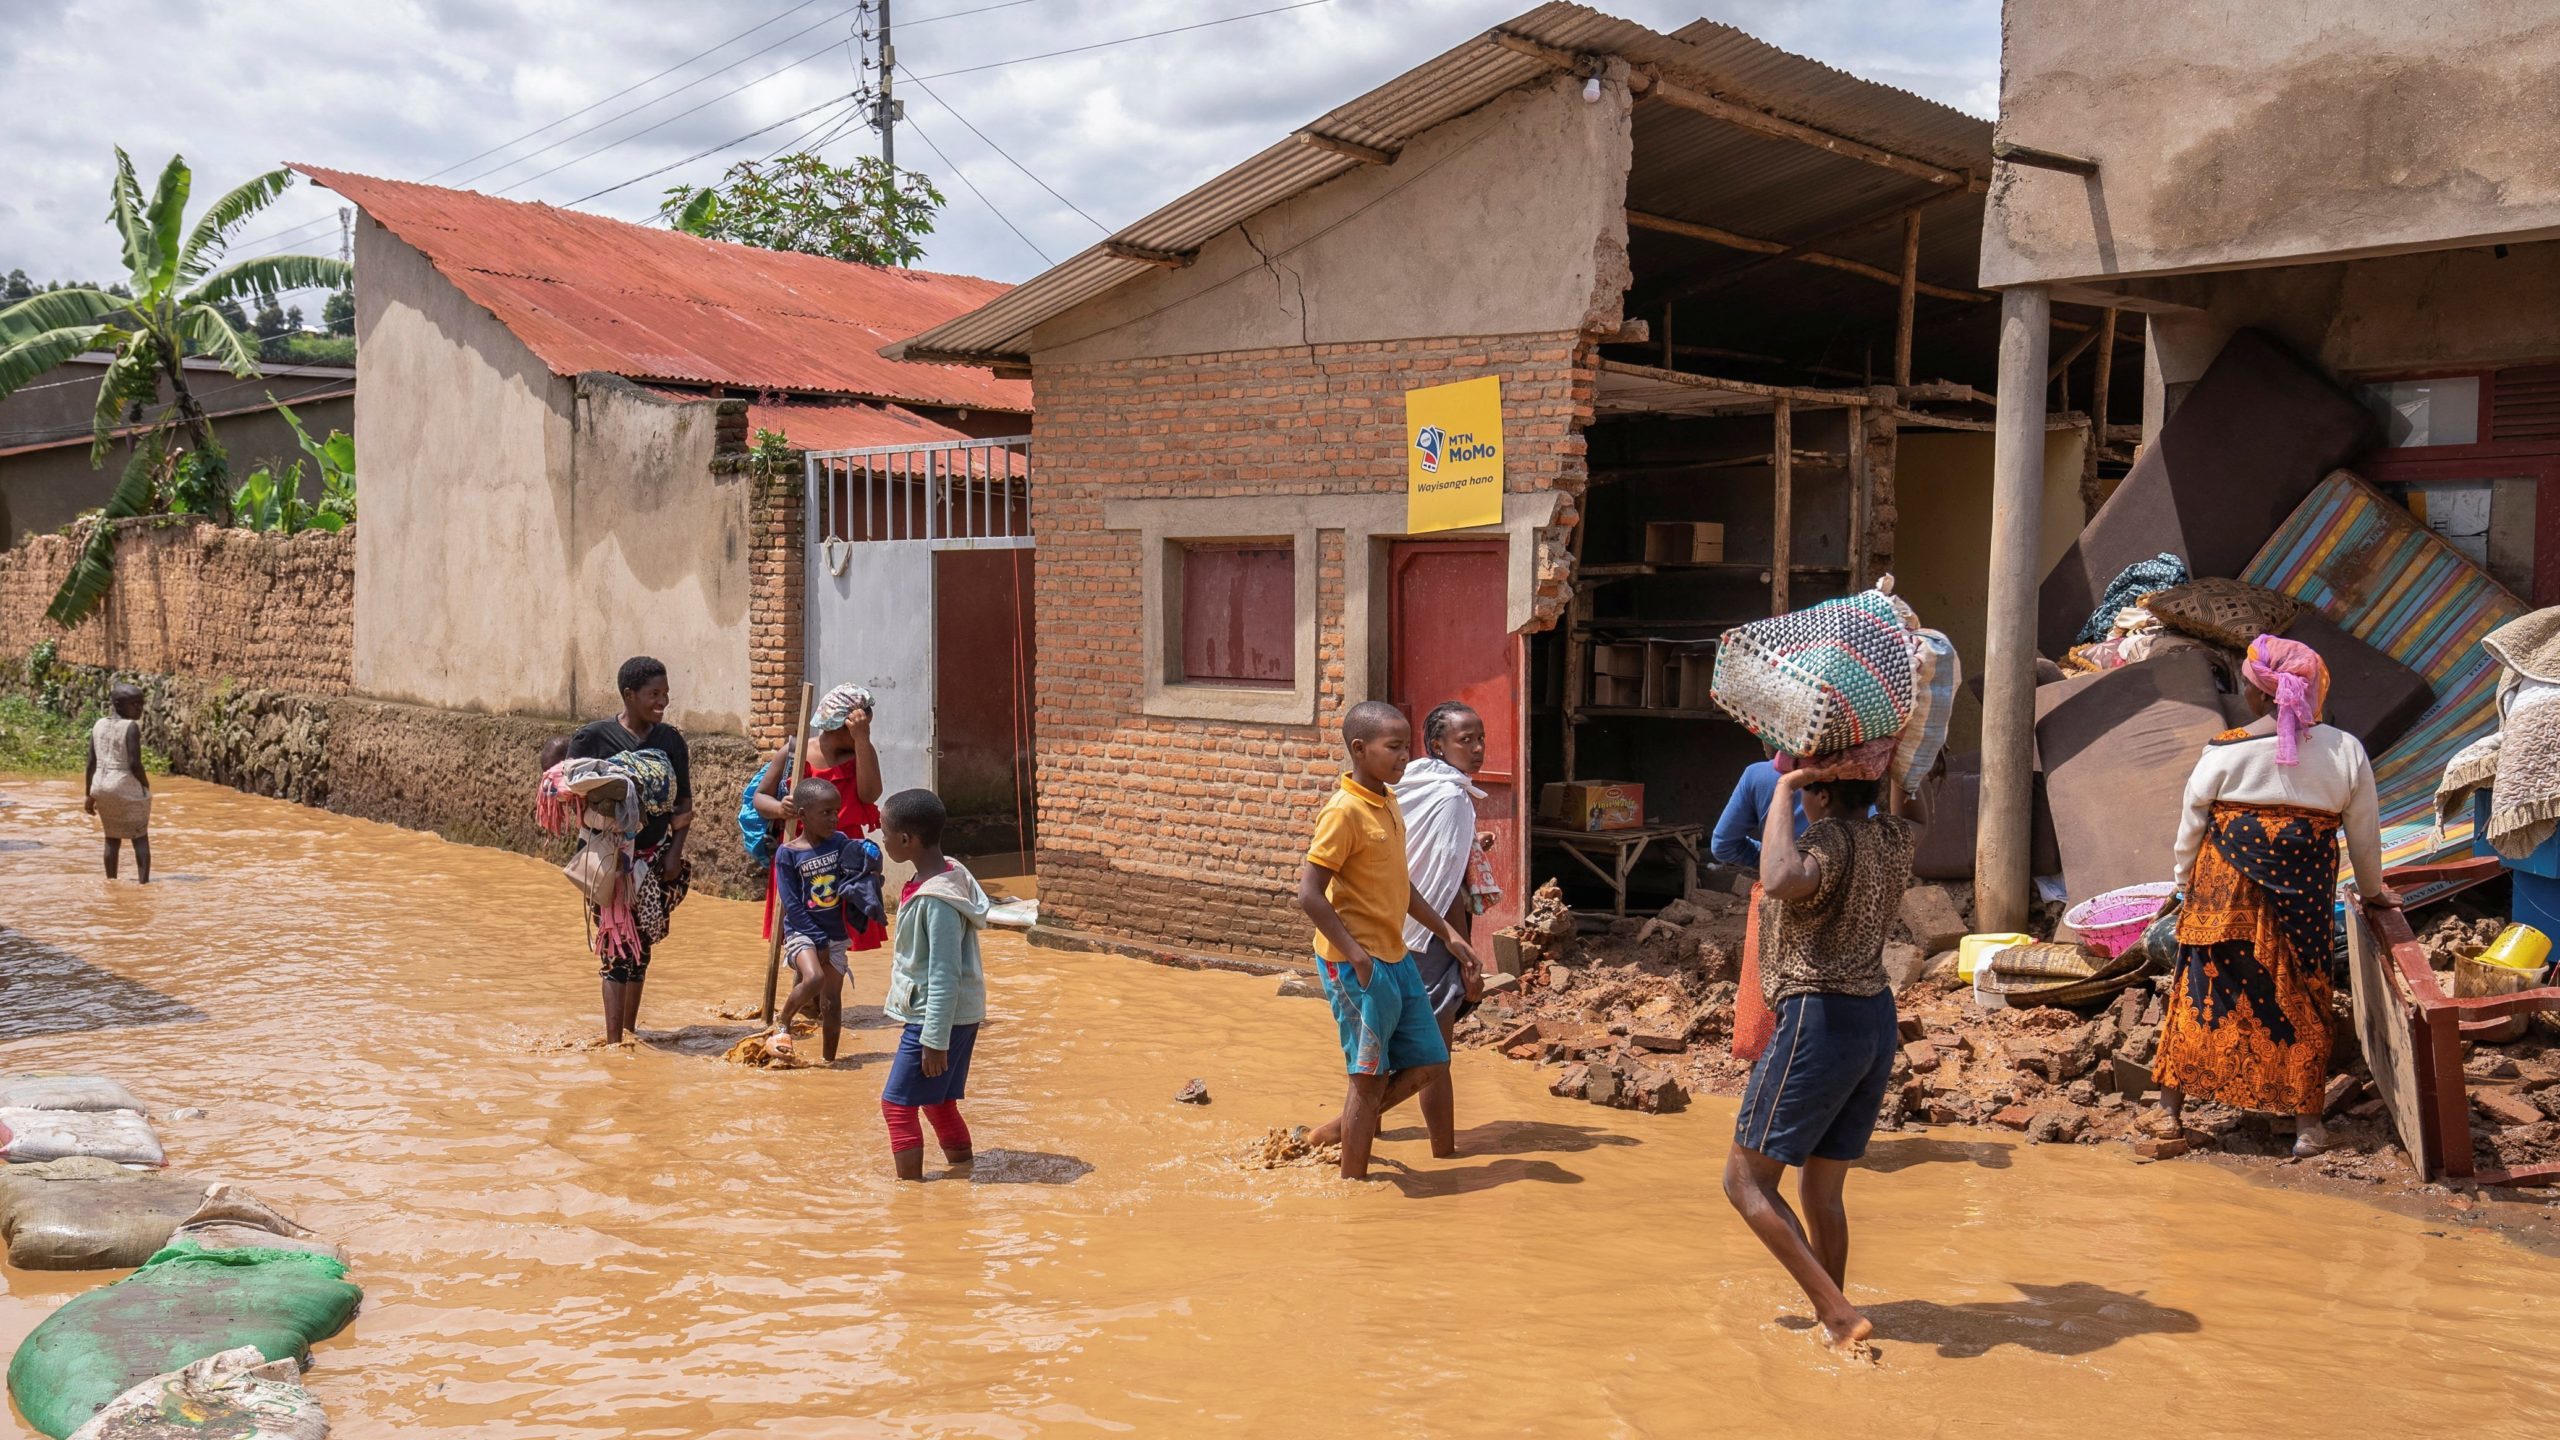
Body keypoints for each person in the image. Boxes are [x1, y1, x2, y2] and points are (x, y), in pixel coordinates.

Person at [2146, 634, 2400, 1158]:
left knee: (2202, 992)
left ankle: (2168, 1114)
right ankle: (2308, 1126)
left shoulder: (2224, 750)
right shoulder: (2346, 751)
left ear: (2260, 696)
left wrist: (2181, 882)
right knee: (2301, 995)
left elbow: (2191, 826)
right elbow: (2365, 836)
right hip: (2302, 896)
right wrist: (2374, 894)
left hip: (2223, 892)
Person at [1722, 760, 1919, 1352]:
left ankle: (1836, 1315)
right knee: (1822, 1190)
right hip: (1873, 1018)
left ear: (1823, 793)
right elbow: (1917, 811)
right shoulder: (1894, 837)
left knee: (1744, 1182)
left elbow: (1780, 877)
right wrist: (1903, 774)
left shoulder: (1828, 836)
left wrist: (1783, 788)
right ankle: (1834, 1310)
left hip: (1819, 1017)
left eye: (1809, 791)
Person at [1298, 700, 1483, 1181]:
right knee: (1368, 1077)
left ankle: (1335, 1131)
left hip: (1396, 953)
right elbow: (1309, 893)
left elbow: (1403, 886)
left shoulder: (1389, 800)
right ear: (1360, 750)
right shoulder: (1344, 812)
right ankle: (1353, 1189)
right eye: (1394, 747)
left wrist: (1449, 934)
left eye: (1406, 746)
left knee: (1431, 1061)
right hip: (1357, 961)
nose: (1405, 757)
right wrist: (1357, 956)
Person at [569, 656, 693, 1044]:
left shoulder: (670, 740)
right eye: (654, 694)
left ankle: (629, 1033)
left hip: (655, 858)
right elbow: (568, 791)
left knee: (640, 949)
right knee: (614, 945)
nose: (663, 702)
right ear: (629, 695)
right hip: (607, 859)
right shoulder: (593, 738)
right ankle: (613, 1045)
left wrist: (675, 852)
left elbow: (683, 805)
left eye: (666, 694)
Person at [878, 787, 990, 1182]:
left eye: (884, 832)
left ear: (907, 840)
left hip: (937, 1018)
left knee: (896, 1106)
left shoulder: (937, 901)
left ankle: (911, 1197)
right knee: (938, 1101)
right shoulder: (950, 873)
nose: (882, 838)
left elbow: (944, 974)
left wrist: (934, 1039)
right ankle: (963, 1174)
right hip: (955, 1016)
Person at [755, 684, 886, 957]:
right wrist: (781, 808)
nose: (866, 733)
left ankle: (823, 991)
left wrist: (863, 741)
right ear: (840, 726)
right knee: (800, 922)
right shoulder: (795, 751)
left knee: (837, 929)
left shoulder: (861, 753)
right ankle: (807, 990)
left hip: (844, 855)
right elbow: (760, 798)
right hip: (800, 851)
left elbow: (870, 793)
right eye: (860, 729)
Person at [769, 777, 885, 1062]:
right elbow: (792, 903)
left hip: (835, 934)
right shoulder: (788, 853)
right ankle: (783, 1022)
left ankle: (829, 1062)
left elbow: (855, 878)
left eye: (836, 811)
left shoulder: (841, 843)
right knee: (814, 977)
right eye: (826, 813)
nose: (834, 818)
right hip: (802, 933)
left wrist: (870, 870)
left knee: (832, 1004)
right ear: (803, 816)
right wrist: (815, 937)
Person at [83, 683, 151, 883]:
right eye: (134, 704)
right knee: (140, 837)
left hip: (101, 786)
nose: (139, 708)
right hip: (124, 785)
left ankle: (111, 881)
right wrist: (145, 785)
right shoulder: (130, 727)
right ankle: (144, 884)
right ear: (118, 704)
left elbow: (91, 763)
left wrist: (89, 794)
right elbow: (134, 763)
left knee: (111, 837)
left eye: (141, 704)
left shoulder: (98, 724)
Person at [1711, 753, 1806, 870]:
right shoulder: (1832, 774)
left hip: (1782, 879)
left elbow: (1723, 846)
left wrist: (1773, 860)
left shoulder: (1757, 775)